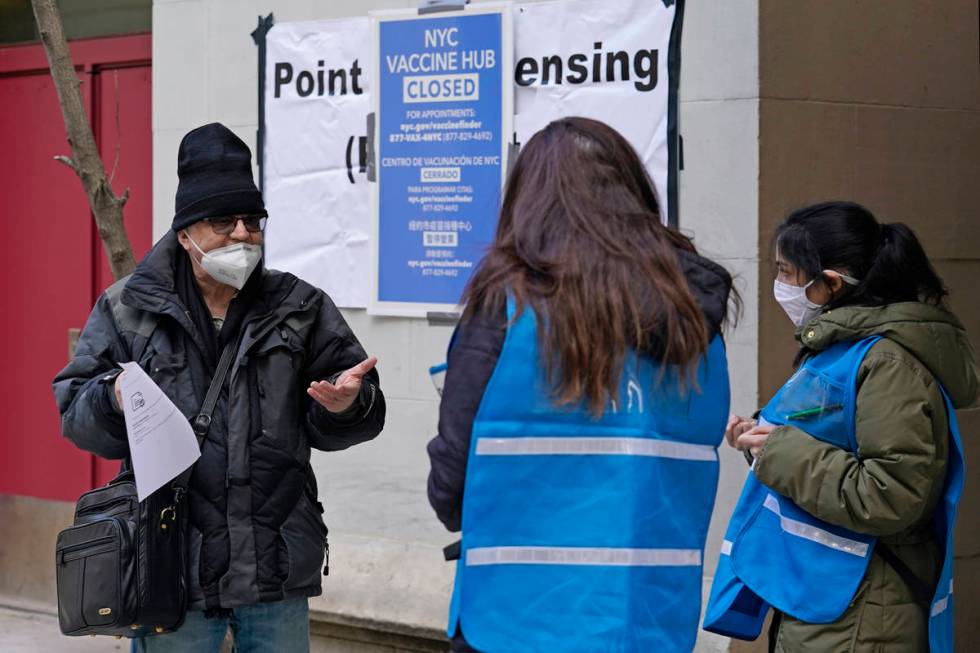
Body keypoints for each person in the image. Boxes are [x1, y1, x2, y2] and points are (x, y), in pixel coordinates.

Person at [53, 123, 386, 652]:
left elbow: (356, 407)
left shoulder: (299, 308)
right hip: (169, 572)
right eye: (223, 221)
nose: (241, 234)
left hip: (273, 571)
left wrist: (348, 406)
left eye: (252, 221)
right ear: (185, 233)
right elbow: (75, 411)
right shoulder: (128, 310)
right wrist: (112, 398)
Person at [426, 117, 736, 653]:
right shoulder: (694, 319)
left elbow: (454, 479)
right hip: (645, 618)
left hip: (515, 617)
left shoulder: (506, 307)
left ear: (529, 201)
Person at [704, 202, 978, 652]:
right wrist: (760, 439)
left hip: (863, 610)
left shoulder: (888, 364)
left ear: (830, 283)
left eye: (788, 273)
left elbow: (890, 493)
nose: (780, 286)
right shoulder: (844, 350)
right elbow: (826, 441)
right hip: (835, 598)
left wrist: (780, 451)